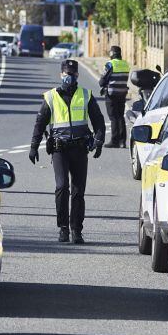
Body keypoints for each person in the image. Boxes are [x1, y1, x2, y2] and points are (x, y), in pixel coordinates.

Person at [28, 59, 105, 244]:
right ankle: (63, 228)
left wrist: (99, 141)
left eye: (72, 74)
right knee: (62, 187)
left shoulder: (86, 95)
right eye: (66, 73)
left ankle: (76, 230)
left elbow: (99, 120)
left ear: (77, 75)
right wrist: (33, 146)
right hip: (59, 149)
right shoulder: (51, 97)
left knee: (78, 191)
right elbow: (40, 123)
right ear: (60, 75)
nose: (69, 76)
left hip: (80, 149)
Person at [98, 45, 130, 148]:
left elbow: (102, 81)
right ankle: (122, 141)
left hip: (111, 94)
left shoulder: (110, 64)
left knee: (113, 117)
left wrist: (103, 83)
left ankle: (114, 141)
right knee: (120, 116)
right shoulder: (125, 64)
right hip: (122, 93)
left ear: (111, 54)